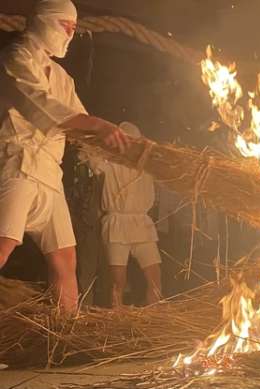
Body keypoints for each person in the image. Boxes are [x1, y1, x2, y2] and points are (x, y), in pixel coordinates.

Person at [0, 0, 129, 313]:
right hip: (18, 164)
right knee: (3, 247)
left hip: (49, 174)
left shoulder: (62, 77)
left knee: (64, 258)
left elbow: (78, 120)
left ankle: (63, 339)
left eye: (74, 29)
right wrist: (97, 125)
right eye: (64, 26)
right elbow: (42, 106)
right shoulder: (16, 57)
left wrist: (110, 146)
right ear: (43, 21)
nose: (69, 35)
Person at [84, 122, 162, 307]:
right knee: (118, 282)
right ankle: (117, 321)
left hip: (142, 224)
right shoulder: (107, 162)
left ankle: (156, 317)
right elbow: (88, 156)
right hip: (117, 225)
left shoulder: (148, 164)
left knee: (155, 279)